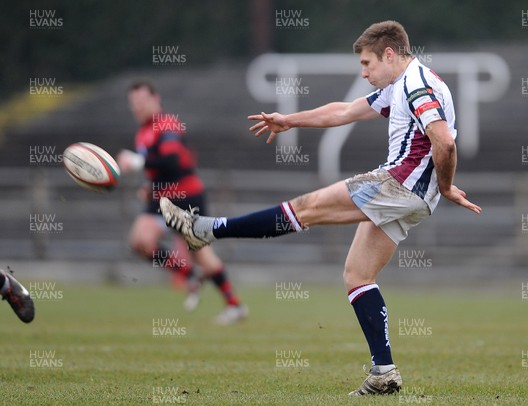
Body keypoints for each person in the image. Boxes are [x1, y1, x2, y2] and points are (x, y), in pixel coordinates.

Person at [160, 21, 481, 395]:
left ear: (389, 54)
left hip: (399, 184)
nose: (364, 73)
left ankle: (205, 230)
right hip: (414, 196)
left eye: (367, 64)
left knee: (305, 208)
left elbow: (445, 142)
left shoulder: (415, 85)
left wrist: (445, 185)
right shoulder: (402, 84)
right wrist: (288, 121)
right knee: (358, 276)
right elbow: (343, 111)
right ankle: (383, 373)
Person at [117, 80, 247, 325]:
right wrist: (150, 186)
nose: (137, 107)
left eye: (142, 102)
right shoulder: (143, 131)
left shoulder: (166, 124)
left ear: (156, 99)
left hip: (186, 197)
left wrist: (137, 163)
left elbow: (174, 161)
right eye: (133, 104)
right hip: (161, 198)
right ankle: (190, 275)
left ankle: (234, 305)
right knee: (139, 241)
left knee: (201, 254)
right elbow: (161, 169)